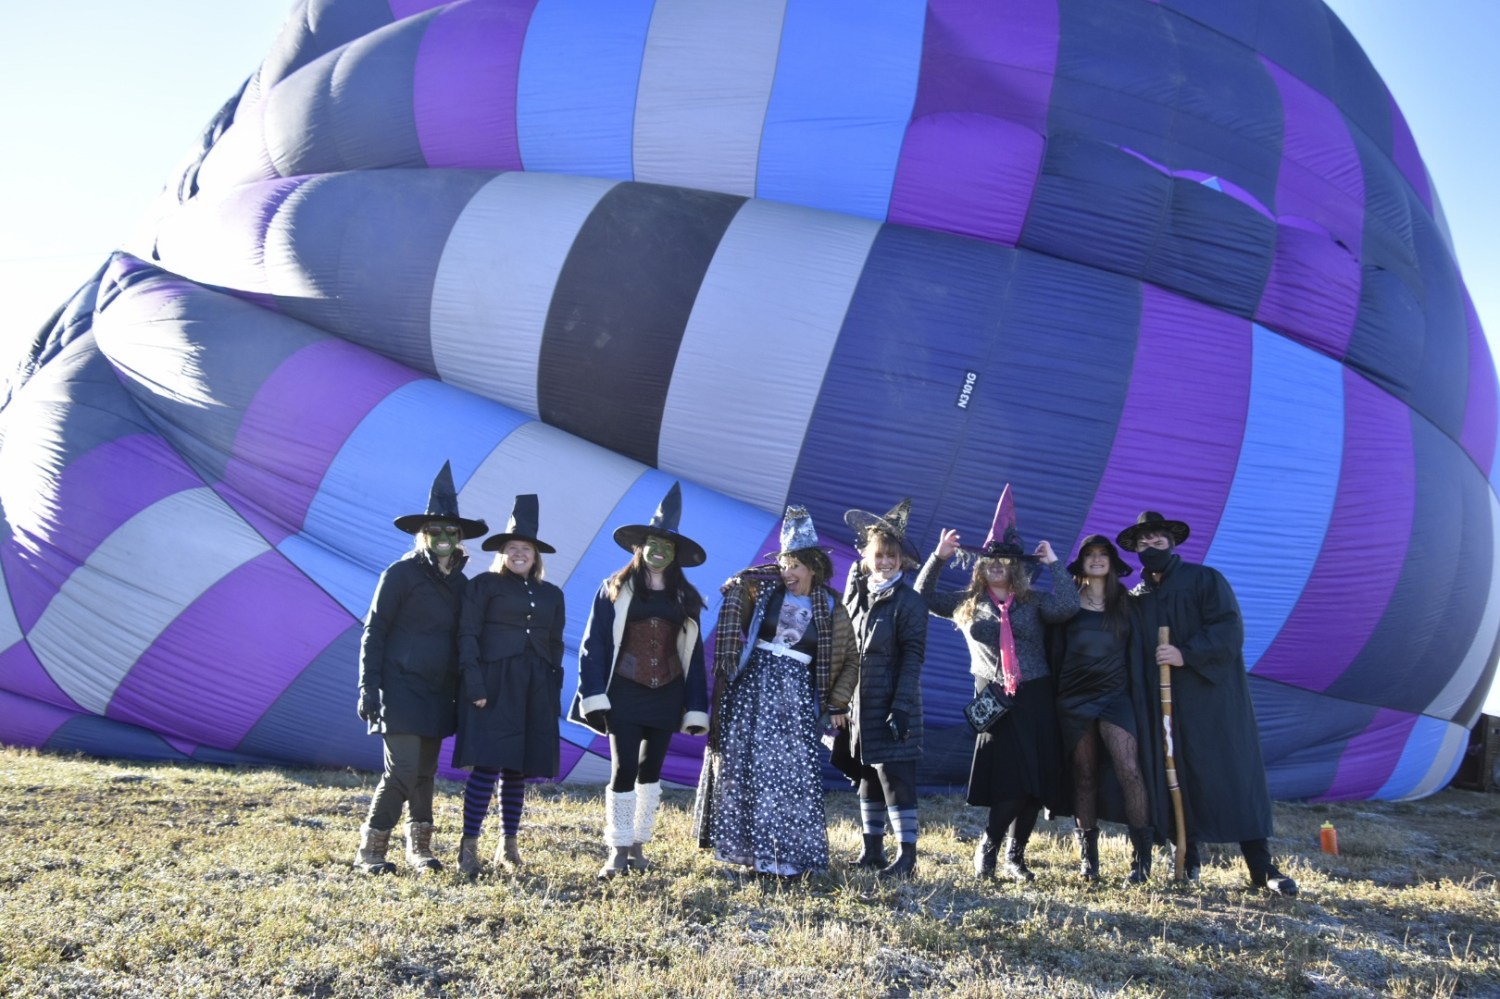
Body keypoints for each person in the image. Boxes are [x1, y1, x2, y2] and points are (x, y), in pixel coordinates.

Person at [1116, 511, 1298, 896]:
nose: (1151, 547)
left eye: (1157, 540)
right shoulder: (1137, 597)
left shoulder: (1205, 580)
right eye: (1143, 544)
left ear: (1173, 542)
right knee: (1171, 773)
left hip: (1210, 698)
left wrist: (1186, 654)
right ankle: (1187, 856)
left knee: (1231, 771)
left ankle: (1261, 865)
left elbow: (1229, 628)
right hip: (1161, 701)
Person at [915, 485, 1078, 882]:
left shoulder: (1034, 602)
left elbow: (1069, 605)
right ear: (980, 567)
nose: (997, 565)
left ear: (1016, 567)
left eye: (1004, 560)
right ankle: (989, 845)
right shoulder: (967, 602)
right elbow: (921, 596)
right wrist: (938, 557)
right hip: (993, 697)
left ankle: (1015, 856)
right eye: (990, 560)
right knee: (1008, 777)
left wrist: (1055, 562)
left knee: (1033, 780)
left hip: (1035, 695)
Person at [694, 505, 858, 877]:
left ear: (813, 567)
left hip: (796, 696)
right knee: (749, 767)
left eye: (795, 566)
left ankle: (783, 858)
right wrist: (739, 585)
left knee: (788, 774)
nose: (788, 573)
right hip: (754, 688)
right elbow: (742, 590)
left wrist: (836, 702)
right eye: (784, 565)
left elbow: (850, 660)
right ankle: (749, 853)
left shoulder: (833, 607)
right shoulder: (764, 592)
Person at [570, 482, 711, 879]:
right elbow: (593, 644)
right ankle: (615, 849)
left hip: (667, 694)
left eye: (667, 546)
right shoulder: (614, 588)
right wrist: (593, 693)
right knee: (624, 768)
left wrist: (696, 704)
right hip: (624, 693)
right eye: (653, 543)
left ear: (676, 554)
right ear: (641, 546)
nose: (659, 551)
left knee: (651, 771)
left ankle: (638, 844)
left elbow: (693, 655)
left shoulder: (686, 596)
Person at [355, 462, 488, 875]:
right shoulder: (400, 574)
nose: (445, 538)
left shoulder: (464, 585)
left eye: (452, 532)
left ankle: (420, 850)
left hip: (439, 691)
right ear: (423, 536)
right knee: (404, 770)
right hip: (398, 688)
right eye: (436, 531)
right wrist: (368, 687)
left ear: (460, 537)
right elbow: (374, 631)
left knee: (427, 773)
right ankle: (370, 852)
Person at [452, 494, 566, 876]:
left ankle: (509, 847)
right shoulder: (483, 585)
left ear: (536, 556)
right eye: (513, 548)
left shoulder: (552, 594)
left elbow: (555, 643)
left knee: (518, 769)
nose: (520, 554)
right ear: (502, 553)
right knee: (487, 765)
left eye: (527, 549)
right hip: (493, 683)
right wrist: (474, 684)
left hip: (536, 685)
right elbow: (467, 635)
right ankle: (469, 848)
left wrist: (552, 691)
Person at [831, 498, 928, 879]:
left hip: (891, 701)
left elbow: (912, 657)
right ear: (867, 557)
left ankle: (907, 858)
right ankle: (872, 850)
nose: (885, 562)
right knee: (867, 775)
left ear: (901, 560)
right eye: (878, 555)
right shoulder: (857, 593)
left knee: (895, 778)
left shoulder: (910, 602)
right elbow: (843, 646)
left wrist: (900, 706)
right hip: (858, 701)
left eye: (892, 556)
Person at [1055, 534, 1153, 883]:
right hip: (1074, 698)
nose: (1096, 559)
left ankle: (1141, 860)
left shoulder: (1127, 604)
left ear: (1112, 562)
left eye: (1103, 554)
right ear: (1081, 562)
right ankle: (1088, 861)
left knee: (1130, 769)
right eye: (1089, 554)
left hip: (1115, 696)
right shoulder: (1067, 603)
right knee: (1083, 775)